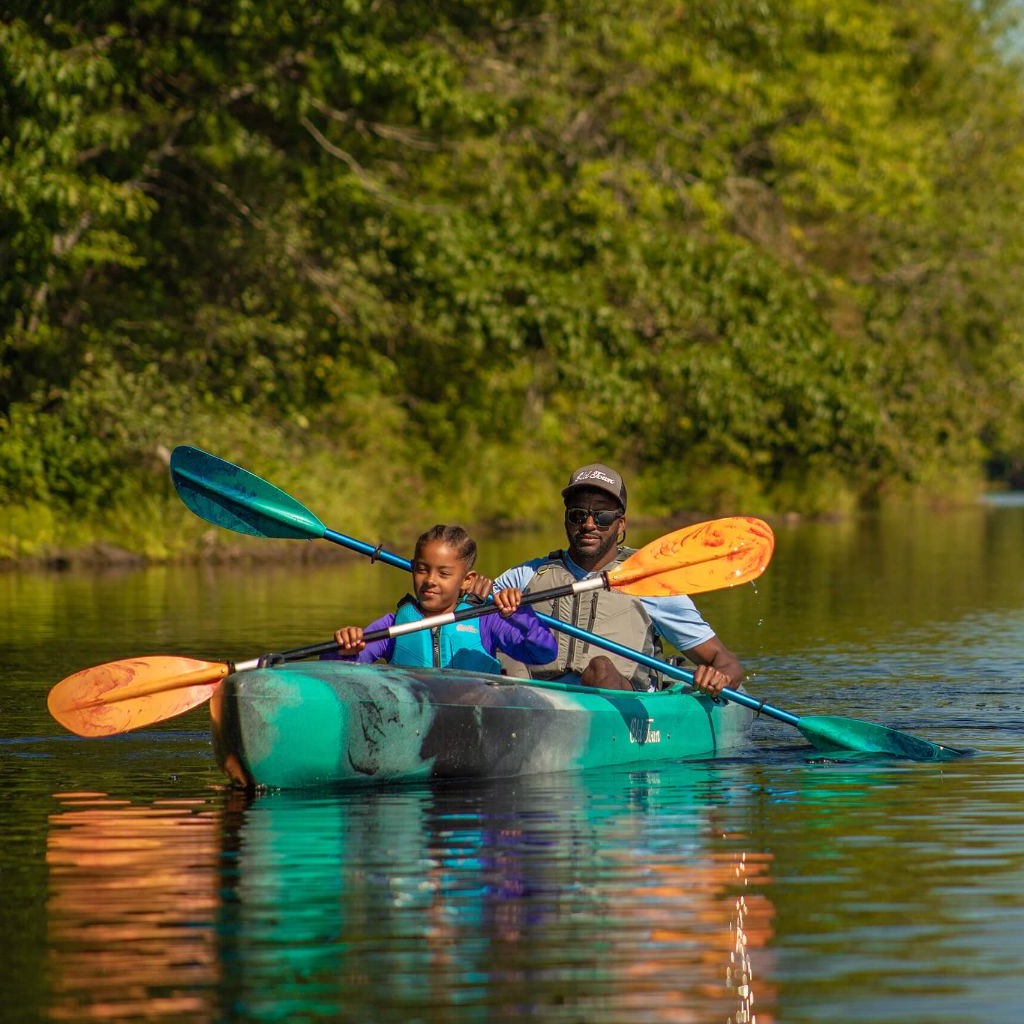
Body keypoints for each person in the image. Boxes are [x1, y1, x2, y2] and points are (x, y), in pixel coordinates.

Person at [492, 464, 743, 696]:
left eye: (602, 517)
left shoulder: (651, 582)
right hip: (536, 701)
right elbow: (467, 611)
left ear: (620, 524)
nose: (588, 525)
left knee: (600, 668)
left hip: (617, 705)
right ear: (566, 519)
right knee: (503, 659)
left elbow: (724, 661)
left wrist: (719, 677)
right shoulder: (526, 576)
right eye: (578, 515)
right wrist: (476, 591)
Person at [326, 524, 557, 673]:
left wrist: (520, 614)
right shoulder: (393, 625)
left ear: (467, 580)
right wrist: (344, 650)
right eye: (422, 569)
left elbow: (543, 653)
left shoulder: (487, 621)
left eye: (444, 573)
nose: (430, 580)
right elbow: (334, 670)